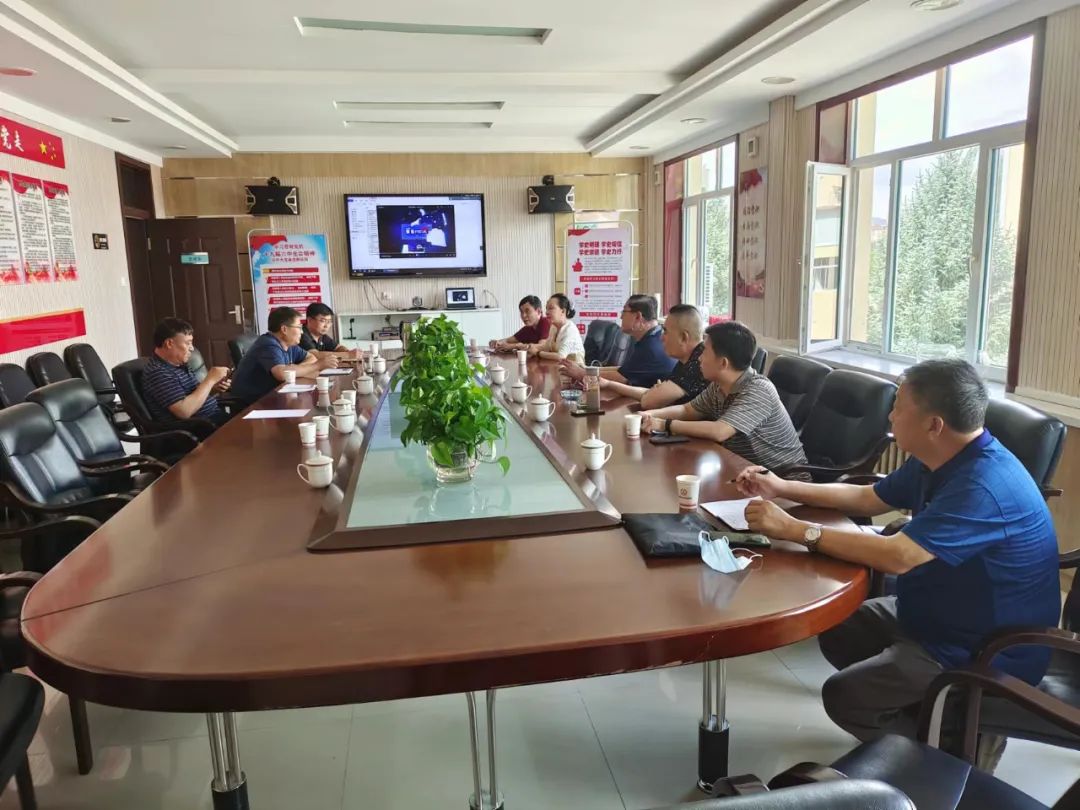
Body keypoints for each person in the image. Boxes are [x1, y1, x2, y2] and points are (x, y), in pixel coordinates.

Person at [735, 359, 1060, 770]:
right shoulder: (938, 458)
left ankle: (952, 757)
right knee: (840, 626)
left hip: (981, 647)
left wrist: (796, 530)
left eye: (899, 407)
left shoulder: (983, 484)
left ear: (934, 424)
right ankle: (935, 714)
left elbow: (898, 556)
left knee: (846, 697)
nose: (890, 416)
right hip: (934, 612)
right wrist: (782, 487)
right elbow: (869, 498)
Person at [640, 321, 806, 472]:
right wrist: (648, 416)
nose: (699, 358)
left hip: (783, 480)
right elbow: (687, 410)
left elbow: (719, 431)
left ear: (723, 363)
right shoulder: (718, 385)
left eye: (704, 352)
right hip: (743, 470)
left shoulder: (759, 390)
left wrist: (665, 424)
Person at [562, 303, 708, 409]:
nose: (662, 337)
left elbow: (649, 401)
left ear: (684, 337)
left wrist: (584, 373)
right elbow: (649, 394)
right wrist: (607, 383)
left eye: (666, 331)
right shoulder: (686, 360)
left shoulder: (698, 363)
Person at [561, 294, 675, 389]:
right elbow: (624, 370)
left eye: (624, 311)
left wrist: (581, 373)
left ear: (638, 316)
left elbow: (621, 377)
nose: (621, 316)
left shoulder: (651, 347)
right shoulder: (652, 337)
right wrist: (586, 369)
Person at [230, 306, 339, 404]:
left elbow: (311, 357)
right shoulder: (268, 344)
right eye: (299, 327)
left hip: (273, 396)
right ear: (284, 329)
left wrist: (294, 369)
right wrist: (317, 365)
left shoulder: (289, 344)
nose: (302, 332)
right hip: (252, 402)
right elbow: (282, 374)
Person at [142, 317, 231, 427]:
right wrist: (210, 380)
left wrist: (213, 388)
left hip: (215, 418)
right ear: (169, 343)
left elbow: (193, 397)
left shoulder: (178, 364)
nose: (192, 348)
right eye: (188, 343)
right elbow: (184, 411)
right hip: (201, 428)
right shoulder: (158, 372)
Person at [529, 294, 585, 361]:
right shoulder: (554, 327)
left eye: (551, 308)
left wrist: (537, 353)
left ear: (563, 311)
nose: (546, 312)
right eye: (546, 308)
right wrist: (530, 347)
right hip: (558, 365)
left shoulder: (570, 330)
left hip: (575, 366)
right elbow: (547, 347)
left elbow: (561, 356)